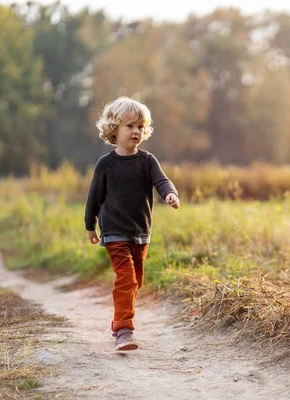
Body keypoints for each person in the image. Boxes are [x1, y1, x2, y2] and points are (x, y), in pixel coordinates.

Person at [84, 96, 179, 351]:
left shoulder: (147, 161)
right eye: (129, 126)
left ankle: (122, 320)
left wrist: (170, 194)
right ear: (114, 129)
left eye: (140, 126)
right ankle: (123, 329)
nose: (136, 131)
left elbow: (162, 181)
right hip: (114, 231)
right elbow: (94, 196)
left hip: (140, 232)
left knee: (136, 280)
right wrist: (90, 226)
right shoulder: (106, 164)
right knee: (126, 278)